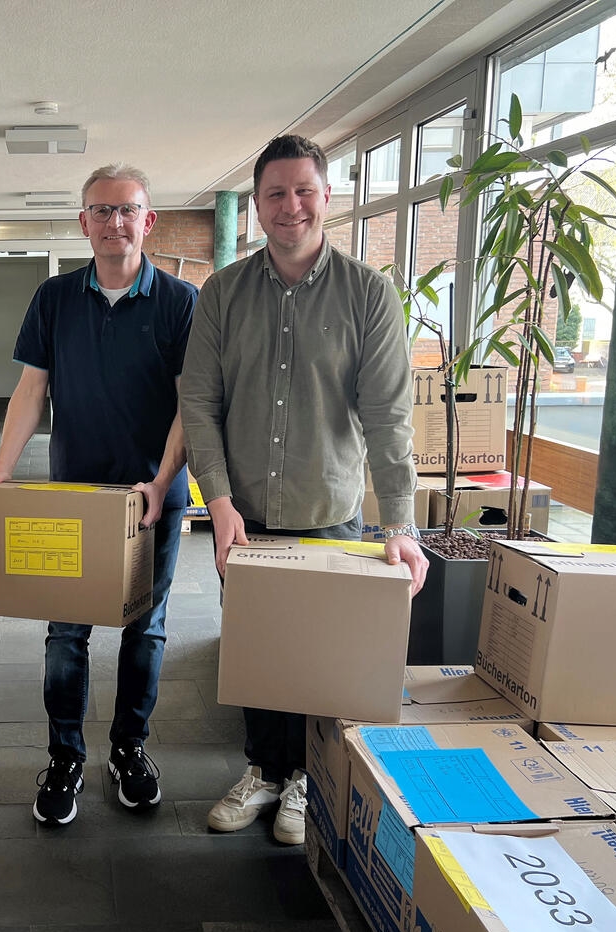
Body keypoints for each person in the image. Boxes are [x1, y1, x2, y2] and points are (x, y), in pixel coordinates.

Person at [180, 135, 427, 844]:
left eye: (304, 191)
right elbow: (199, 401)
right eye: (276, 194)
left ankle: (306, 780)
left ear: (327, 197)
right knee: (257, 653)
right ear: (258, 206)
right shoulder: (223, 293)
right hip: (246, 515)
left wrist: (399, 524)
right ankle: (264, 769)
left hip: (328, 513)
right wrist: (217, 501)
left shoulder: (368, 294)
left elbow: (388, 415)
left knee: (320, 662)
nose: (291, 206)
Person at [0, 163, 197, 826]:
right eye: (102, 210)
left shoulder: (180, 301)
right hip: (74, 497)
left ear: (148, 220)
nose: (115, 222)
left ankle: (129, 749)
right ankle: (65, 758)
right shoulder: (54, 298)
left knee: (146, 629)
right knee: (65, 633)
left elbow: (192, 404)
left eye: (127, 209)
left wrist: (161, 481)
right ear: (83, 222)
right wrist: (0, 476)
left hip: (151, 497)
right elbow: (31, 390)